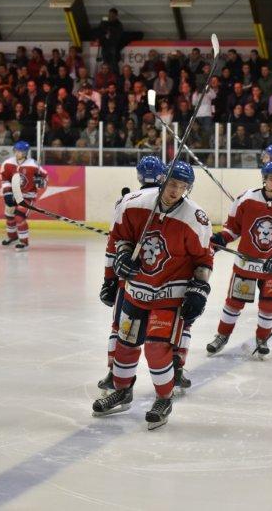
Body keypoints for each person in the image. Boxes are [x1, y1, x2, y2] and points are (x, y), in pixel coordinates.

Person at [92, 161, 214, 430]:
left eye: (183, 187)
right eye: (172, 184)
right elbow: (120, 238)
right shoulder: (134, 203)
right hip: (137, 289)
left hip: (171, 293)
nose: (176, 191)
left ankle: (163, 398)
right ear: (162, 181)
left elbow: (204, 259)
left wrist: (199, 289)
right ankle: (123, 391)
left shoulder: (195, 217)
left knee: (157, 348)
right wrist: (122, 258)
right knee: (125, 344)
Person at [98, 156, 190, 394]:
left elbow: (113, 243)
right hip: (156, 282)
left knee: (121, 327)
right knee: (179, 326)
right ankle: (176, 365)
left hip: (131, 281)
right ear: (163, 178)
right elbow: (119, 243)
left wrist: (109, 279)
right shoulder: (134, 203)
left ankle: (114, 372)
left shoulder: (127, 201)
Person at [207, 162, 272, 357]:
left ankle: (262, 338)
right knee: (234, 302)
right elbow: (233, 227)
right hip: (247, 262)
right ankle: (222, 336)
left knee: (269, 306)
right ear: (264, 179)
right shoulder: (246, 198)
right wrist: (222, 238)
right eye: (271, 179)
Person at [0, 141, 48, 251]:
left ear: (25, 153)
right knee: (9, 216)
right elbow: (4, 178)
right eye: (16, 151)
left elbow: (45, 179)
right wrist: (7, 193)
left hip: (27, 196)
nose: (17, 153)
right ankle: (13, 237)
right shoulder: (7, 163)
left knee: (19, 217)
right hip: (13, 194)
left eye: (20, 152)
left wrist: (40, 182)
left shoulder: (33, 165)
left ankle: (24, 242)